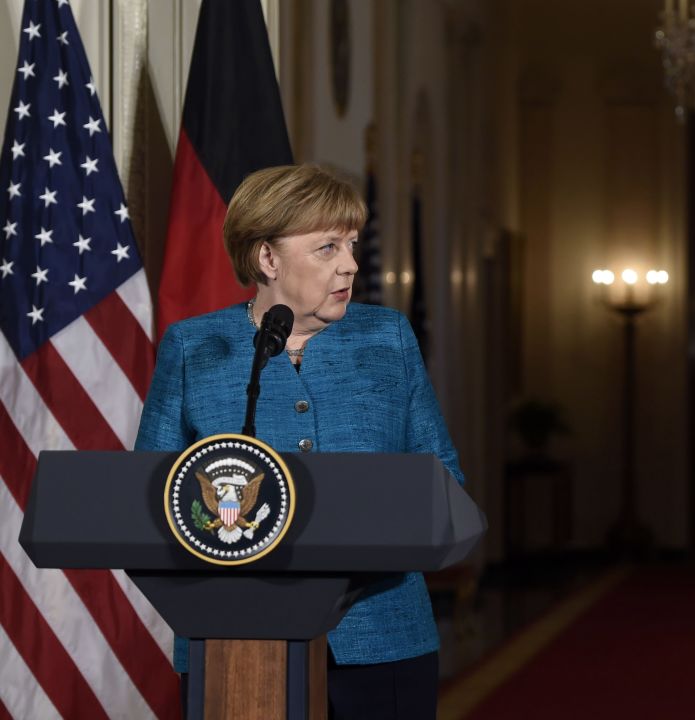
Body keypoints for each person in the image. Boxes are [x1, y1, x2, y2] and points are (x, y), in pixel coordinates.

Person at [135, 163, 462, 719]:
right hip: (232, 641)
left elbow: (444, 481)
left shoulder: (388, 338)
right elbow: (149, 496)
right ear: (267, 258)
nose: (351, 264)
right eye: (328, 247)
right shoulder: (195, 347)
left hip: (382, 638)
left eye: (353, 245)